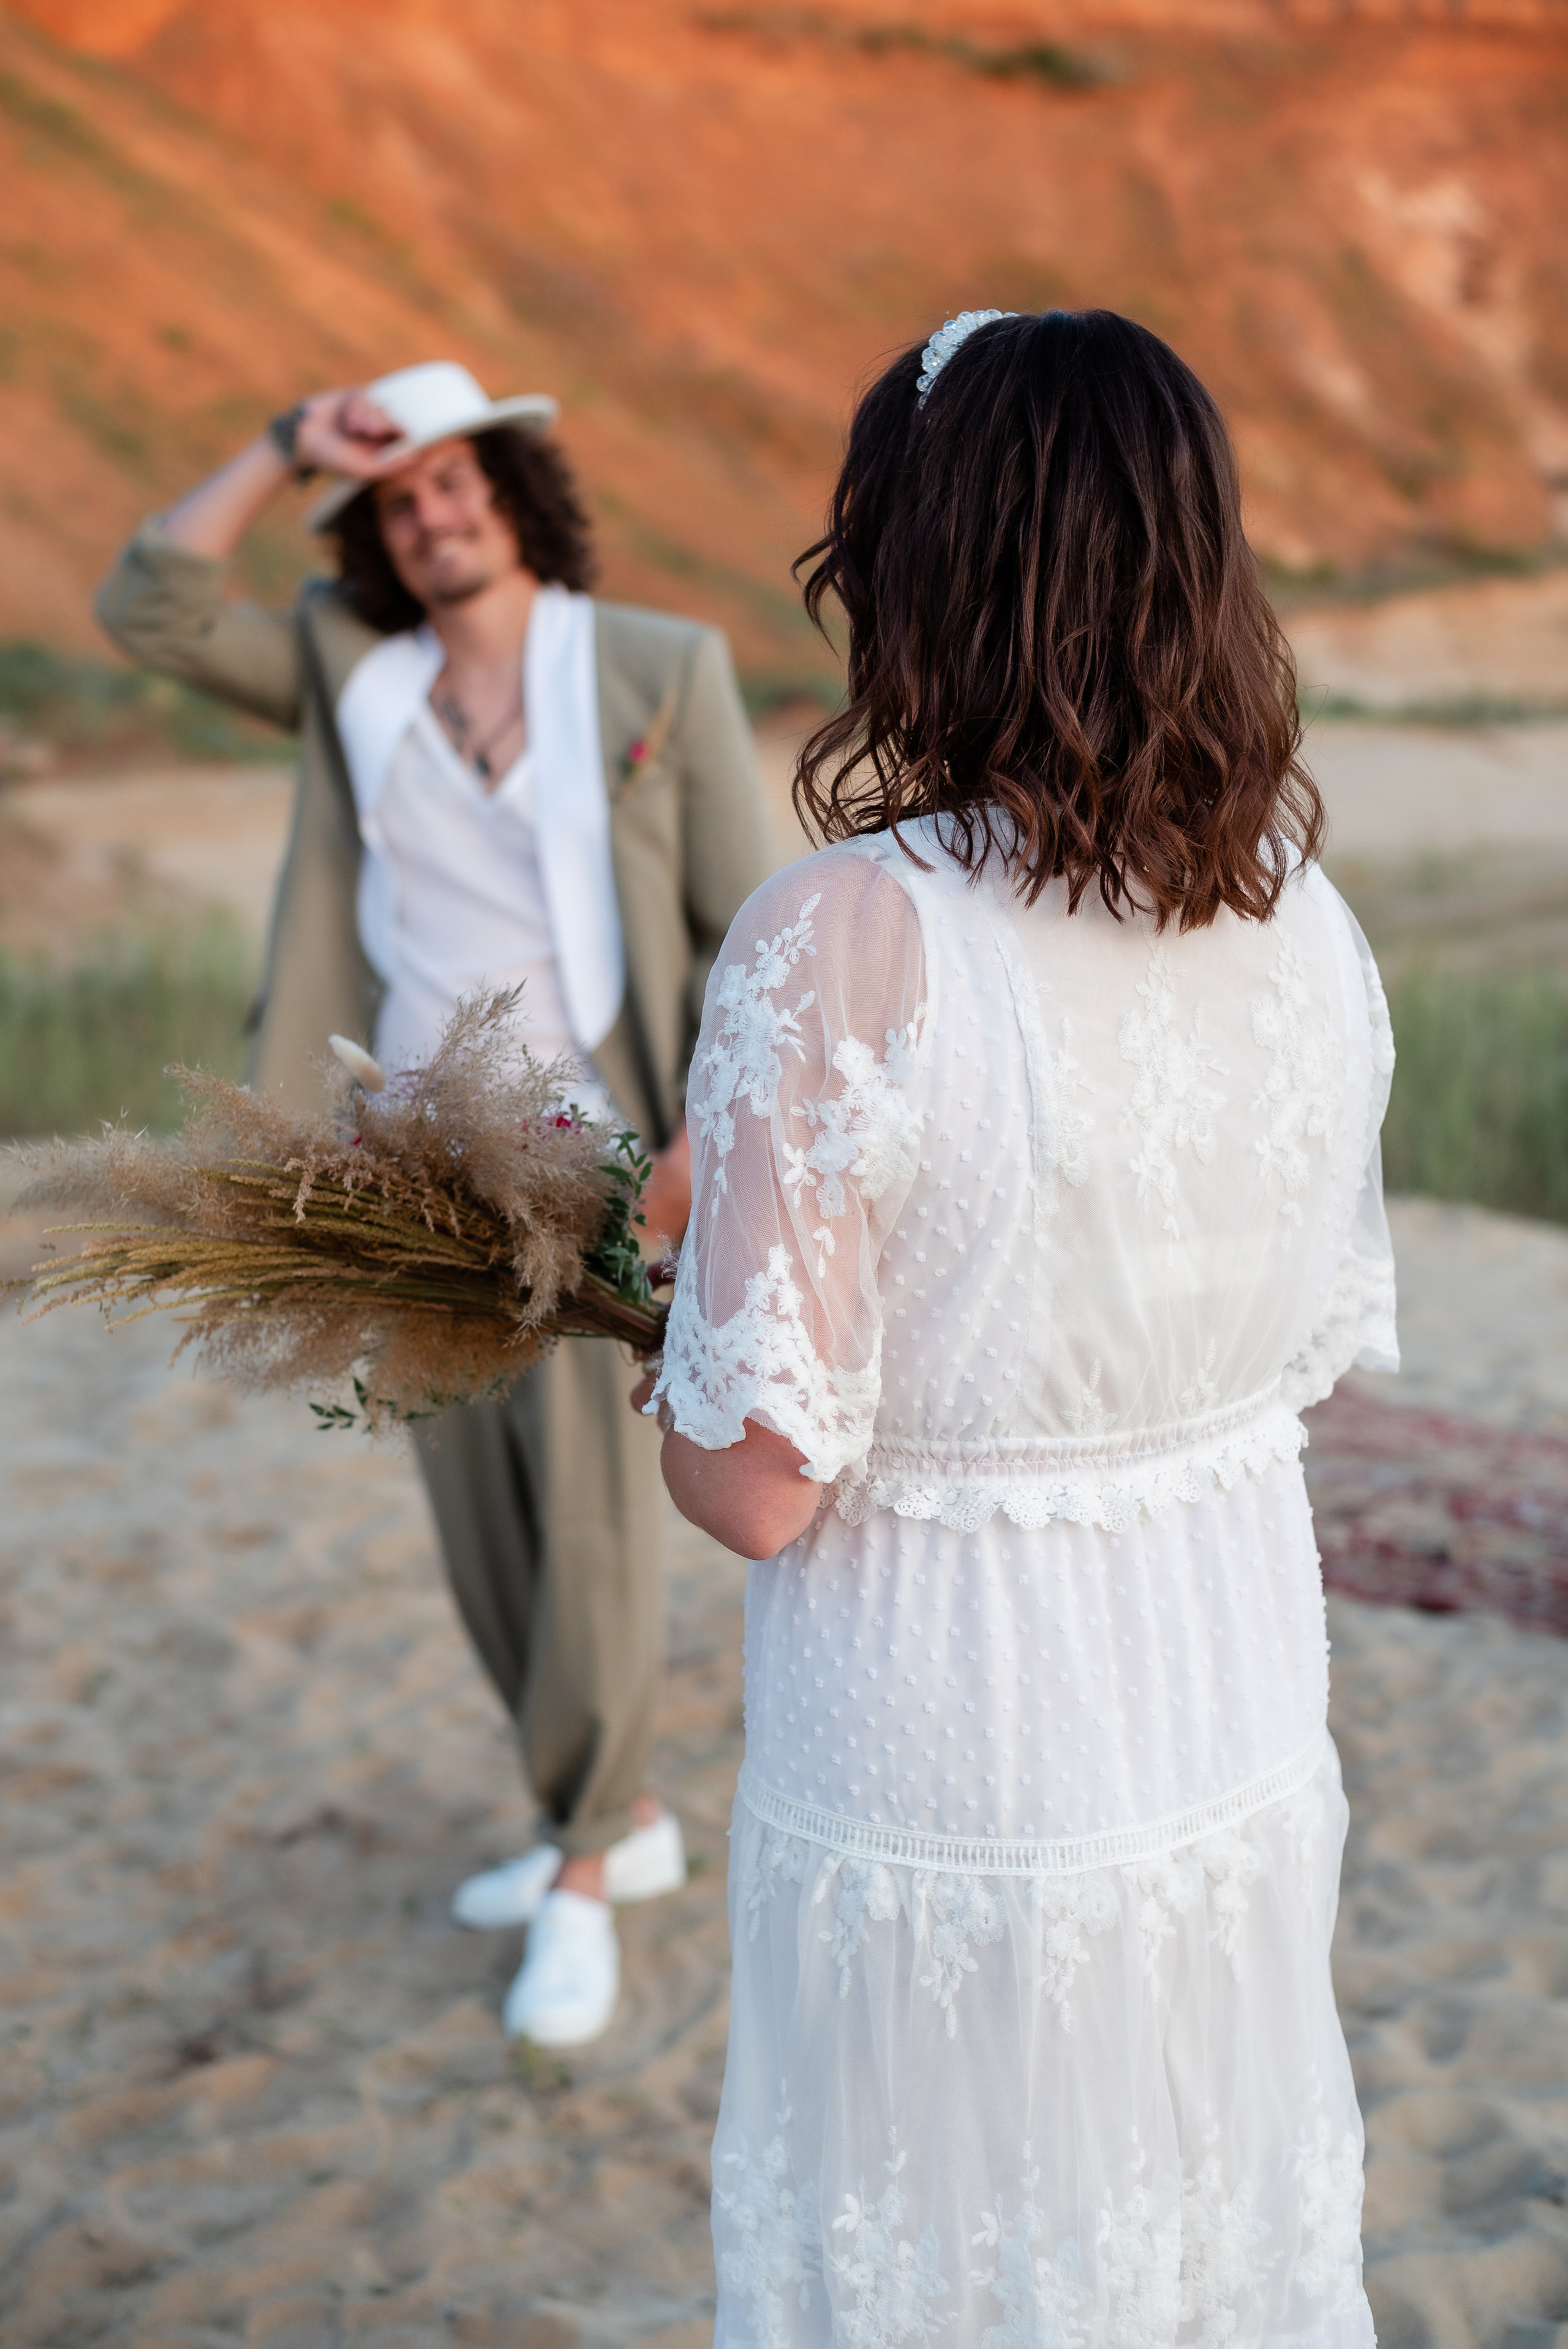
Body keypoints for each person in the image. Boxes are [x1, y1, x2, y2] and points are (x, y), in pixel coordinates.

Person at [642, 309, 1395, 2342]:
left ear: (924, 571)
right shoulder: (1302, 917)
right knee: (1187, 2218)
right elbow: (1289, 1339)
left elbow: (756, 1484)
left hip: (955, 1733)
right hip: (1223, 1687)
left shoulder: (847, 931)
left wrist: (669, 1301)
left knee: (957, 2248)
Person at [96, 360, 773, 2049]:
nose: (434, 513)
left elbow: (752, 940)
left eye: (459, 481)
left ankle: (578, 1868)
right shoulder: (354, 673)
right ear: (380, 535)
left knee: (605, 1523)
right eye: (400, 500)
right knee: (486, 1526)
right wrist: (277, 451)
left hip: (606, 1167)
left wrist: (701, 1157)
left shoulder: (653, 669)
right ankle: (613, 1813)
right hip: (400, 1173)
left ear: (514, 490)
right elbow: (152, 607)